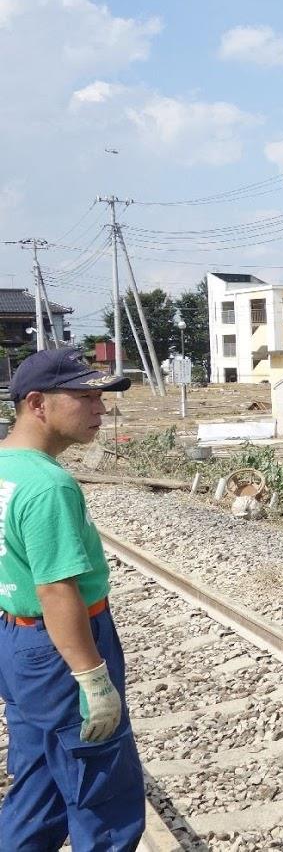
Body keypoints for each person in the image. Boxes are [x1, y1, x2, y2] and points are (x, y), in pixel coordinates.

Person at [0, 348, 143, 850]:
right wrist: (92, 677)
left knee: (38, 784)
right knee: (102, 795)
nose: (100, 410)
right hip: (62, 648)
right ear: (37, 403)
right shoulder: (49, 485)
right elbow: (57, 590)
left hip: (18, 643)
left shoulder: (5, 469)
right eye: (85, 397)